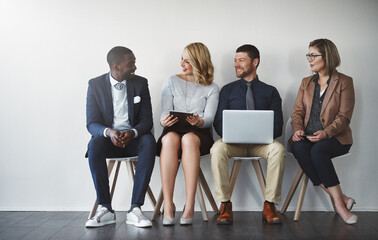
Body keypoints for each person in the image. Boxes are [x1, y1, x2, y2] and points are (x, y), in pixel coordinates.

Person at [211, 44, 285, 225]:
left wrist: (261, 134)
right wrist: (231, 134)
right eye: (235, 61)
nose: (236, 64)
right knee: (217, 148)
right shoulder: (227, 90)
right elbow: (218, 122)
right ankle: (225, 204)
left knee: (278, 149)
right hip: (232, 143)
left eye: (241, 60)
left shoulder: (271, 91)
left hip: (261, 145)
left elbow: (278, 126)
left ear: (255, 62)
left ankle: (269, 204)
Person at [85, 46, 156, 228]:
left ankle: (135, 209)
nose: (135, 67)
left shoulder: (140, 83)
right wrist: (109, 132)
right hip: (109, 140)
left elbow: (147, 120)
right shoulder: (95, 85)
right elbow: (91, 123)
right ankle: (105, 208)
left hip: (133, 139)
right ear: (116, 66)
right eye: (131, 63)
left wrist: (131, 132)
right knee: (94, 145)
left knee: (149, 141)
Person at [290, 38, 357, 224]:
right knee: (299, 148)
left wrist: (325, 134)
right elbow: (297, 113)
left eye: (313, 55)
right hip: (307, 135)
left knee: (318, 151)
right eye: (308, 55)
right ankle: (341, 198)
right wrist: (297, 130)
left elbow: (344, 117)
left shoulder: (344, 82)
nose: (309, 59)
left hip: (336, 138)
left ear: (327, 56)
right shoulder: (306, 82)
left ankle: (339, 206)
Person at [157, 42, 219, 226]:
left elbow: (209, 118)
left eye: (187, 60)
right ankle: (168, 205)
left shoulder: (212, 87)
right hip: (173, 128)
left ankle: (190, 205)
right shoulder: (171, 80)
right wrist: (163, 120)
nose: (182, 64)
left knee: (189, 139)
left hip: (198, 132)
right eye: (181, 59)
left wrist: (199, 122)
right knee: (168, 139)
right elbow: (165, 110)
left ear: (199, 62)